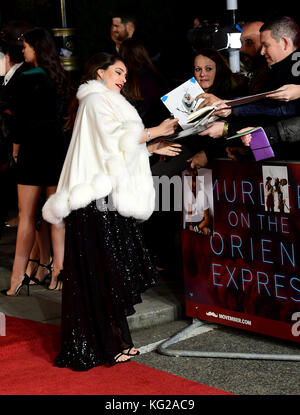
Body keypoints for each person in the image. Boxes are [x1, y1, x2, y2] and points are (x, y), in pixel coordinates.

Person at [42, 52, 181, 369]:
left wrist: (149, 147)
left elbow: (116, 153)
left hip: (108, 201)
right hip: (94, 203)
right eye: (117, 72)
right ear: (99, 73)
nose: (122, 78)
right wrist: (154, 132)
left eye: (125, 73)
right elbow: (113, 143)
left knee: (110, 273)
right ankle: (104, 344)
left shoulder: (107, 103)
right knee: (102, 273)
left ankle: (116, 340)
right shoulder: (93, 102)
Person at [0, 27, 72, 296]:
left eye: (27, 45)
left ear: (37, 48)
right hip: (55, 149)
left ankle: (17, 278)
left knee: (26, 216)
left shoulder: (27, 77)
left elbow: (19, 120)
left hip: (31, 150)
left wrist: (16, 149)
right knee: (56, 216)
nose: (24, 50)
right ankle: (57, 273)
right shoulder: (60, 75)